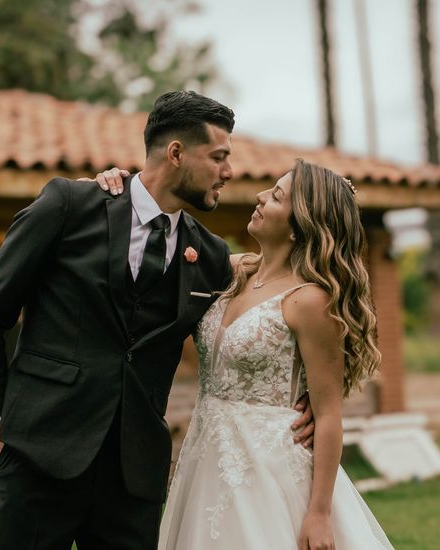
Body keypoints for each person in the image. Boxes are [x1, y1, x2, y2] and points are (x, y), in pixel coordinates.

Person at [0, 91, 314, 550]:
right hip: (38, 451)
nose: (229, 172)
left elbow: (278, 301)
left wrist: (303, 389)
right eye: (218, 157)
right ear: (175, 153)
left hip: (134, 475)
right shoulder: (70, 206)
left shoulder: (208, 256)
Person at [93, 158, 394, 549]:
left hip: (269, 471)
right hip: (205, 459)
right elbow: (155, 243)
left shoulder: (310, 301)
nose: (260, 196)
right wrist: (109, 188)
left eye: (276, 196)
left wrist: (319, 514)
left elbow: (329, 415)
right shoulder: (232, 272)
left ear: (300, 222)